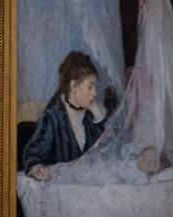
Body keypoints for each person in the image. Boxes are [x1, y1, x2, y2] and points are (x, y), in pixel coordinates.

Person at [22, 51, 117, 181]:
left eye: (95, 87)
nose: (94, 93)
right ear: (73, 86)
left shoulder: (91, 117)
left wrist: (98, 115)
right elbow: (32, 153)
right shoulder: (52, 118)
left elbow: (110, 151)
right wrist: (37, 168)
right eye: (90, 87)